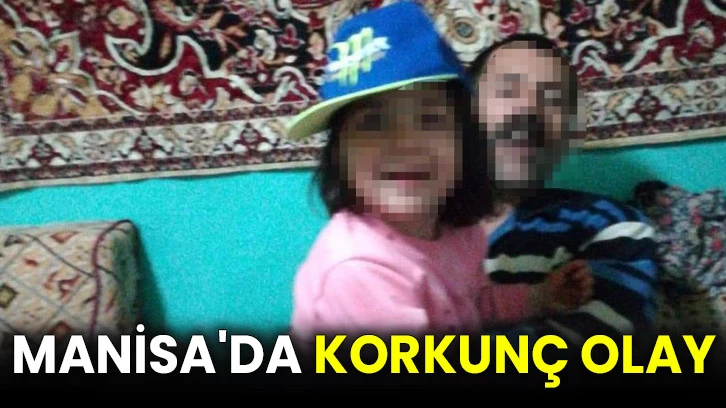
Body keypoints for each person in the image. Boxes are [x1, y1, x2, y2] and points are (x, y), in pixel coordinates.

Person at [284, 3, 593, 356]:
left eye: (430, 120)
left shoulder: (460, 234)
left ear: (467, 143)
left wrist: (539, 297)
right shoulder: (358, 266)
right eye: (374, 123)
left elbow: (474, 305)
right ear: (340, 157)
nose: (404, 144)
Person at [470, 33, 659, 349]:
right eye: (508, 90)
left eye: (553, 100)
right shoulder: (401, 231)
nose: (529, 111)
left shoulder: (609, 226)